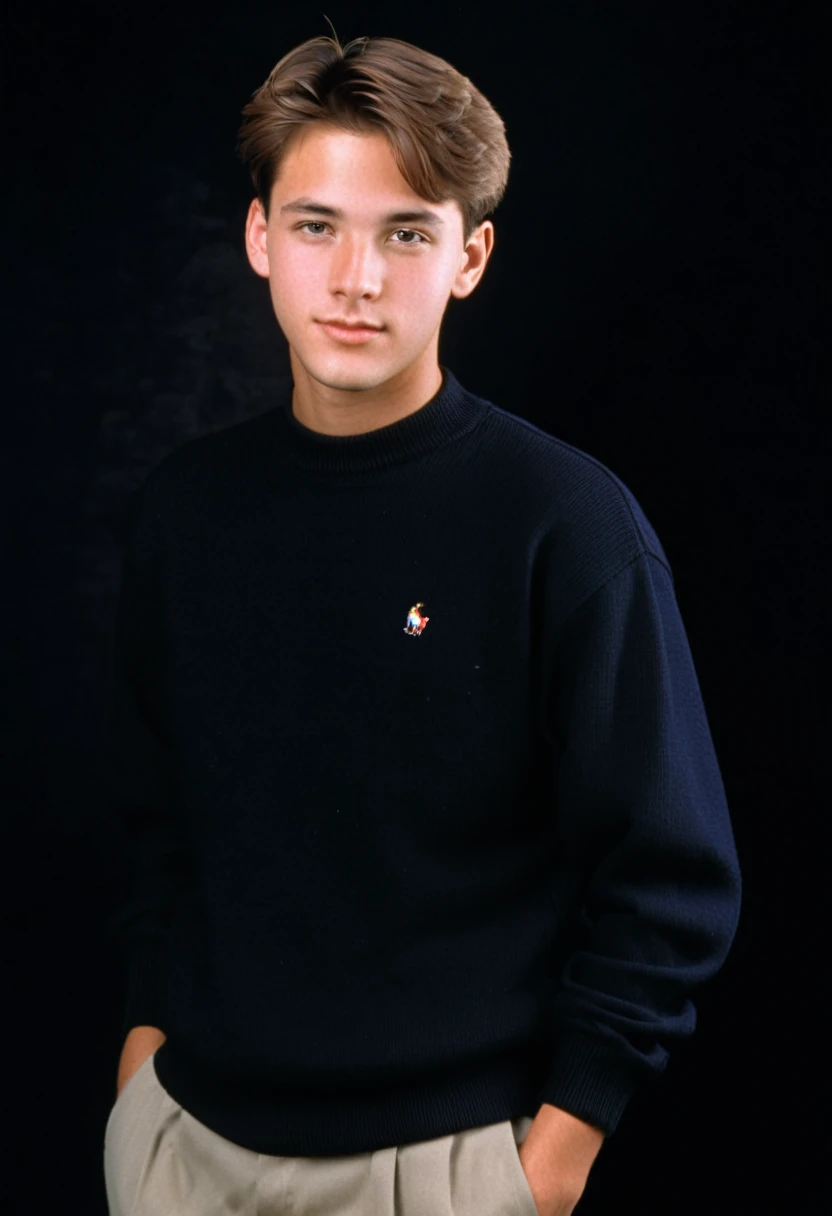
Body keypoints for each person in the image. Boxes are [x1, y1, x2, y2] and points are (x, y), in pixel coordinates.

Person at [103, 28, 741, 1216]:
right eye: (317, 225)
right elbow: (159, 818)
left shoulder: (565, 522)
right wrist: (142, 1058)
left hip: (442, 1168)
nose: (356, 278)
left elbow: (671, 875)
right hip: (183, 1146)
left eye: (406, 232)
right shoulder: (186, 510)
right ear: (258, 238)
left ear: (470, 256)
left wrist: (545, 1166)